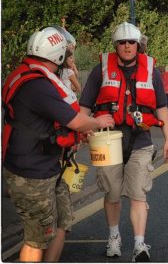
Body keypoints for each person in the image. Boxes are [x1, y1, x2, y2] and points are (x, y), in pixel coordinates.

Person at [2, 26, 114, 262]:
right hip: (32, 175)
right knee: (36, 239)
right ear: (59, 56)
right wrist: (97, 121)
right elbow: (75, 120)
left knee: (62, 222)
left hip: (47, 168)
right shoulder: (38, 86)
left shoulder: (34, 77)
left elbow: (50, 122)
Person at [79, 21, 168, 262]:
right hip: (106, 140)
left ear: (138, 44)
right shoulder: (100, 69)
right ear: (116, 45)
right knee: (111, 193)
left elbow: (162, 108)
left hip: (141, 141)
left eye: (132, 42)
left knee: (138, 194)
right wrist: (84, 130)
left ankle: (140, 245)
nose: (128, 46)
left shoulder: (151, 69)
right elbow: (84, 107)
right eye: (122, 42)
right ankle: (114, 237)